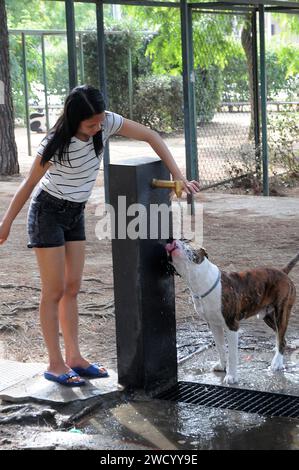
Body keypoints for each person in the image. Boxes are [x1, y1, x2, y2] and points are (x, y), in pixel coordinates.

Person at [0, 85, 200, 387]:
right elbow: (29, 185)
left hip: (75, 213)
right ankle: (55, 364)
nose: (97, 128)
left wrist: (179, 177)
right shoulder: (56, 143)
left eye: (99, 122)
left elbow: (151, 136)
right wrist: (5, 223)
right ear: (74, 120)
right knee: (53, 290)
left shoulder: (106, 122)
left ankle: (75, 357)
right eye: (90, 124)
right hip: (47, 214)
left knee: (73, 287)